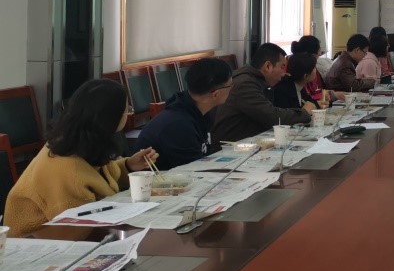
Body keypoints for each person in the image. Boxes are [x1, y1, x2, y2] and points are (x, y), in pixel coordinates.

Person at [4, 79, 159, 237]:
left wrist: (129, 165)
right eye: (127, 110)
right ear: (111, 117)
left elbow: (98, 178)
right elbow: (77, 228)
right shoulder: (67, 171)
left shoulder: (78, 141)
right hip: (31, 242)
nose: (128, 113)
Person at [136, 57, 231, 169]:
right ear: (215, 94)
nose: (232, 89)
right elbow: (195, 170)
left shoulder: (200, 111)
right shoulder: (179, 125)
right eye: (230, 86)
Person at [212, 43, 312, 143]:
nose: (283, 74)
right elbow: (272, 116)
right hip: (229, 146)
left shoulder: (258, 81)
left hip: (247, 141)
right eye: (282, 67)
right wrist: (304, 113)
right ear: (268, 66)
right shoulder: (245, 84)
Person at [269, 53, 335, 110]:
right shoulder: (283, 90)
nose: (316, 70)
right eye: (314, 67)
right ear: (305, 76)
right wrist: (316, 105)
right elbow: (293, 113)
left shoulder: (299, 85)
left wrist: (322, 102)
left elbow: (309, 102)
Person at [290, 35, 326, 101]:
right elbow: (308, 98)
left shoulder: (294, 62)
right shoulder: (302, 70)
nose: (320, 55)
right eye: (319, 53)